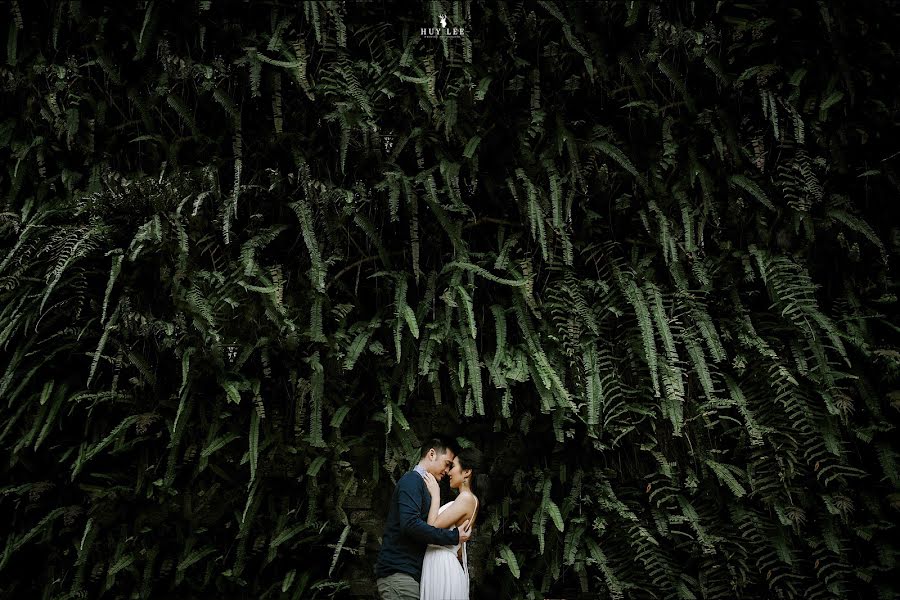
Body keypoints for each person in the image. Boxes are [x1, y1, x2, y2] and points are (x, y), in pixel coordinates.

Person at [375, 437, 473, 600]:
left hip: (410, 577)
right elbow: (410, 524)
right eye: (447, 463)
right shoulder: (412, 480)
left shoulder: (425, 487)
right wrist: (453, 536)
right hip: (400, 575)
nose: (448, 471)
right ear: (432, 454)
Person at [419, 446, 483, 600]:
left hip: (443, 566)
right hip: (441, 563)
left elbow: (431, 528)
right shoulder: (465, 500)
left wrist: (435, 495)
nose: (448, 472)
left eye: (452, 466)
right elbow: (459, 549)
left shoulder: (466, 498)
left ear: (467, 472)